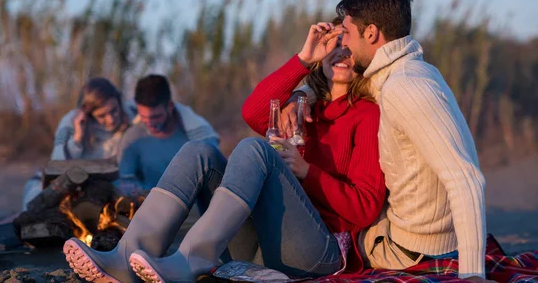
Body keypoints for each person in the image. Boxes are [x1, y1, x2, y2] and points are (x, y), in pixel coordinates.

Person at [63, 21, 385, 283]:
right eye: (334, 44)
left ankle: (189, 260)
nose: (340, 52)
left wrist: (305, 171)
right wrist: (302, 59)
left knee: (253, 148)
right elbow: (254, 112)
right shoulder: (302, 105)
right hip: (264, 245)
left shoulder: (367, 114)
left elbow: (366, 208)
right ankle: (126, 255)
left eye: (348, 46)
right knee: (199, 152)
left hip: (319, 252)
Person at [285, 0, 491, 282]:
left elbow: (467, 179)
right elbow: (346, 85)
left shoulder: (406, 87)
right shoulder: (404, 73)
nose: (345, 47)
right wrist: (303, 95)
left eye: (349, 34)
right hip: (418, 237)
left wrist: (473, 274)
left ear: (371, 33)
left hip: (406, 248)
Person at [21, 77, 136, 209]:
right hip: (71, 184)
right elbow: (57, 166)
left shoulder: (130, 113)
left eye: (114, 110)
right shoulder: (71, 122)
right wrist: (77, 139)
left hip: (106, 186)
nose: (111, 120)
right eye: (102, 116)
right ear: (88, 114)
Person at [117, 74, 220, 192]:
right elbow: (125, 181)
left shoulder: (199, 136)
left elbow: (215, 177)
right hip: (148, 204)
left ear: (170, 106)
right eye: (143, 117)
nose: (149, 123)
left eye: (156, 116)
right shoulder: (132, 139)